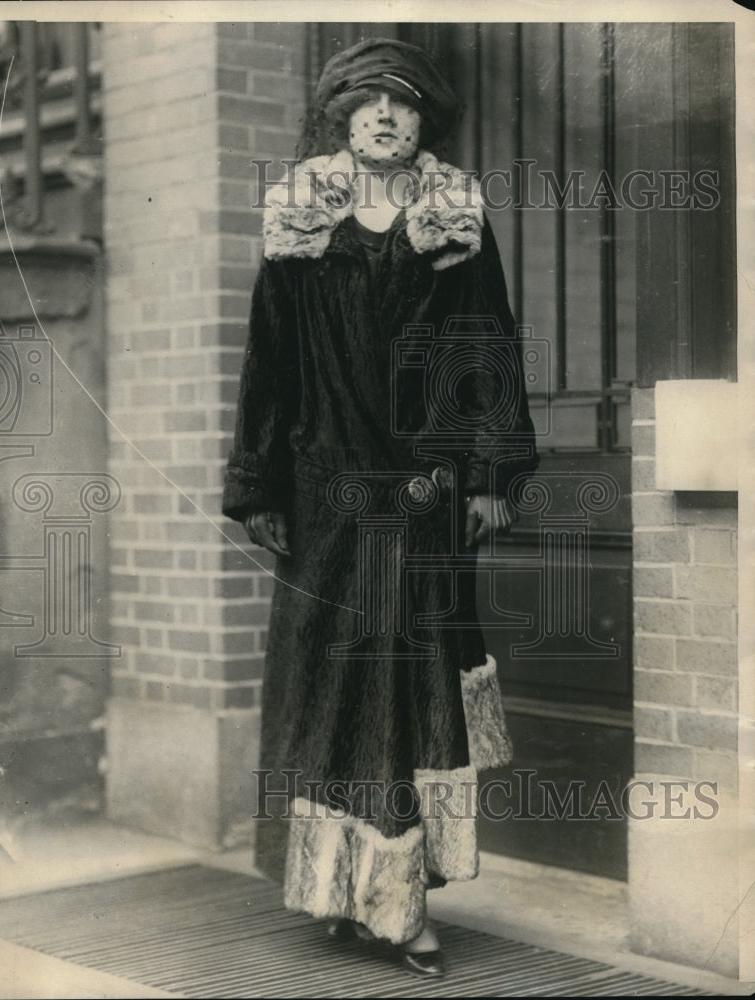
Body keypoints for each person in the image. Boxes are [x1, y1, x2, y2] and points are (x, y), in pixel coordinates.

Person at [222, 37, 538, 978]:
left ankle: (399, 906)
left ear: (421, 120)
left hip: (426, 490)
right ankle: (340, 889)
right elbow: (268, 362)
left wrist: (489, 473)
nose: (386, 116)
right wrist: (260, 484)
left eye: (402, 103)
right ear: (341, 117)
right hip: (325, 495)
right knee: (333, 688)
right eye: (368, 102)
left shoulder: (456, 217)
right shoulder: (298, 220)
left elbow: (489, 346)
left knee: (406, 686)